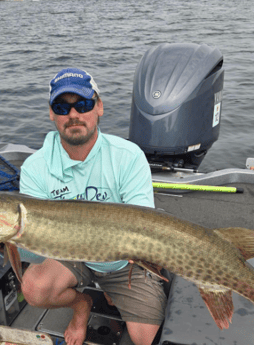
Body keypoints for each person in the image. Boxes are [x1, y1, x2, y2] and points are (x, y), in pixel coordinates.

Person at [18, 67, 167, 345]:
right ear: (51, 114)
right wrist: (11, 242)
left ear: (99, 107)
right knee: (35, 288)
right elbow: (37, 255)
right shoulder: (34, 168)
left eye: (83, 104)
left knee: (145, 338)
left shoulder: (129, 156)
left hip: (124, 262)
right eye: (62, 107)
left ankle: (116, 288)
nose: (73, 115)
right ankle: (81, 305)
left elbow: (143, 229)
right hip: (73, 254)